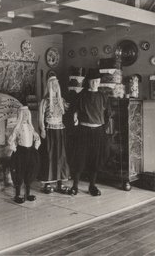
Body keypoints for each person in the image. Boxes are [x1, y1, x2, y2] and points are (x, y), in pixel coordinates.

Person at [69, 68, 110, 196]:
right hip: (83, 131)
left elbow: (107, 115)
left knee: (95, 159)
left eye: (97, 81)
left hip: (98, 131)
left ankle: (92, 186)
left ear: (99, 82)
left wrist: (103, 128)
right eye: (92, 81)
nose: (95, 84)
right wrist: (75, 117)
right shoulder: (81, 95)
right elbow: (73, 111)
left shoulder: (103, 96)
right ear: (88, 82)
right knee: (79, 159)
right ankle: (74, 186)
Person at [38, 76, 70, 194]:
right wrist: (42, 129)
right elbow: (41, 118)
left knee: (61, 156)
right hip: (49, 130)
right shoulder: (45, 101)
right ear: (49, 86)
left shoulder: (61, 100)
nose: (56, 87)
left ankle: (60, 183)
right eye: (53, 85)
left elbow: (66, 113)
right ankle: (47, 183)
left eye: (57, 84)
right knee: (49, 156)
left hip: (60, 130)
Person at [8, 106, 41, 204]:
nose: (26, 116)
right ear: (20, 115)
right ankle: (17, 194)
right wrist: (14, 148)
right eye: (24, 114)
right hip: (21, 152)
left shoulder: (31, 127)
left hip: (30, 151)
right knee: (19, 172)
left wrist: (36, 146)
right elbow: (11, 139)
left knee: (29, 172)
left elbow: (37, 137)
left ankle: (27, 193)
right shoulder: (17, 128)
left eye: (27, 114)